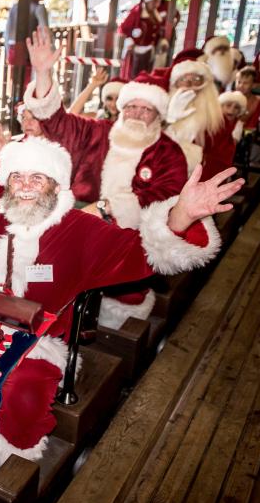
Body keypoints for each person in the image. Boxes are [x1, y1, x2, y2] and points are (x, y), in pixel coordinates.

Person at [0, 136, 240, 465]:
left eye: (37, 178)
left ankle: (9, 468)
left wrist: (180, 216)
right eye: (17, 177)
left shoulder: (80, 229)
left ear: (55, 185)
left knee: (24, 399)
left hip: (37, 343)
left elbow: (139, 253)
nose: (25, 186)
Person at [14, 30, 190, 328]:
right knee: (42, 270)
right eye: (131, 106)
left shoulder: (168, 153)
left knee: (120, 296)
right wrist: (43, 73)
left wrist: (109, 208)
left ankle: (105, 335)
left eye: (146, 109)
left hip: (128, 241)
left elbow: (168, 197)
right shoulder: (97, 132)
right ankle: (42, 325)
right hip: (76, 227)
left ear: (158, 115)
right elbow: (58, 122)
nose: (137, 114)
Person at [163, 49, 229, 174]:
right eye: (183, 79)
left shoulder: (218, 121)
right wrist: (169, 120)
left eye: (196, 79)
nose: (189, 84)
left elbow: (221, 158)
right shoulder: (161, 112)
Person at [4, 0, 50, 83]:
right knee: (30, 82)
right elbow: (45, 32)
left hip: (13, 50)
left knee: (16, 81)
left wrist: (8, 51)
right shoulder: (39, 8)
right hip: (31, 52)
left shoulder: (15, 7)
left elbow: (7, 33)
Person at [118, 0, 165, 78]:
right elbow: (123, 28)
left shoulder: (155, 15)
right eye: (153, 2)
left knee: (146, 74)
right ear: (147, 2)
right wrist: (130, 39)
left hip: (150, 50)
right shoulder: (136, 13)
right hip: (136, 50)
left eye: (156, 2)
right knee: (134, 74)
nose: (155, 5)